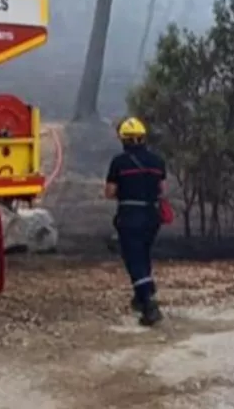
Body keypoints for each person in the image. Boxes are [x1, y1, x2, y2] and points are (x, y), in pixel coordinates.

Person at [105, 117, 167, 326]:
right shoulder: (158, 162)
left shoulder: (119, 162)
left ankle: (149, 303)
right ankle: (141, 297)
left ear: (124, 140)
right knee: (144, 254)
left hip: (130, 214)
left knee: (134, 259)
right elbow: (161, 189)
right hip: (152, 215)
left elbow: (110, 192)